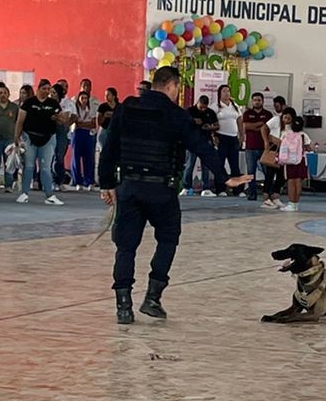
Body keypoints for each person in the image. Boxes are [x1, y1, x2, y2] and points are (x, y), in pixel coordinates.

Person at [97, 65, 249, 324]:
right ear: (171, 86)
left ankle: (123, 306)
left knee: (125, 247)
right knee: (168, 239)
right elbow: (201, 147)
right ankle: (152, 299)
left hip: (130, 187)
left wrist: (106, 184)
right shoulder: (176, 115)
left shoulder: (125, 108)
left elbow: (109, 147)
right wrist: (225, 178)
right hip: (161, 190)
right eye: (177, 87)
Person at [12, 78, 66, 206]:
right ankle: (24, 193)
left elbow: (63, 120)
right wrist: (16, 136)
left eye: (48, 89)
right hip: (30, 137)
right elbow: (20, 121)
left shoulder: (53, 104)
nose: (46, 91)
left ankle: (50, 195)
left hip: (48, 138)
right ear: (38, 89)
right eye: (44, 89)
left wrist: (58, 118)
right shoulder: (29, 103)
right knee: (29, 165)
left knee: (46, 167)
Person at [182, 95, 218, 196]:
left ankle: (205, 188)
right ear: (197, 103)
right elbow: (183, 123)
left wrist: (210, 127)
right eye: (201, 107)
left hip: (205, 141)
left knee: (206, 165)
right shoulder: (190, 111)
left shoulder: (210, 112)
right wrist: (193, 121)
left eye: (204, 107)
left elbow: (217, 125)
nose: (203, 109)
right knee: (189, 165)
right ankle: (186, 187)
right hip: (192, 142)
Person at [240, 92, 271, 202]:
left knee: (267, 172)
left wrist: (254, 127)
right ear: (252, 101)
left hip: (264, 148)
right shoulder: (247, 113)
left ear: (263, 101)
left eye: (259, 100)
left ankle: (268, 193)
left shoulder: (268, 114)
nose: (257, 102)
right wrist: (260, 125)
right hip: (250, 147)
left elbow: (268, 129)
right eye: (255, 100)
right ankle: (252, 194)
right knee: (250, 172)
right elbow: (246, 126)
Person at [278, 111, 311, 212]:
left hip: (289, 161)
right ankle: (296, 204)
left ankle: (291, 204)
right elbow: (310, 148)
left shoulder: (285, 134)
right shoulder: (303, 135)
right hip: (301, 160)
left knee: (291, 182)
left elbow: (280, 145)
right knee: (298, 182)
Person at [259, 95, 287, 207]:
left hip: (284, 150)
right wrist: (267, 141)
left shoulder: (289, 123)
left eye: (277, 106)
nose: (276, 108)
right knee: (270, 174)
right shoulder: (275, 119)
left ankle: (275, 196)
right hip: (274, 149)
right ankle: (266, 198)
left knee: (282, 175)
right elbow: (264, 128)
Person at [213, 84, 242, 195]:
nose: (226, 93)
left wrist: (241, 136)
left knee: (235, 165)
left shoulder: (235, 106)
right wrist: (214, 136)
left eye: (228, 91)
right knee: (220, 164)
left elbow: (240, 121)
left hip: (233, 138)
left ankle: (237, 190)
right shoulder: (215, 106)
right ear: (220, 93)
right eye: (224, 91)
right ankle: (220, 189)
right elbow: (211, 120)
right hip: (221, 137)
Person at [71, 90, 98, 190]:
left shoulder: (91, 109)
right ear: (78, 99)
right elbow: (75, 123)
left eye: (86, 98)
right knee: (76, 158)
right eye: (82, 98)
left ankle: (89, 181)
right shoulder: (75, 108)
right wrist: (83, 124)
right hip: (77, 134)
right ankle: (78, 181)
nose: (84, 100)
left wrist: (82, 124)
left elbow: (93, 123)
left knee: (89, 158)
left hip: (88, 134)